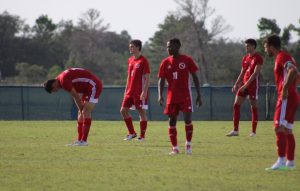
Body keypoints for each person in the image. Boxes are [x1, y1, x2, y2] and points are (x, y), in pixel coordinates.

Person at [158, 38, 202, 155]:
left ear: (177, 46)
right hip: (171, 97)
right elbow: (161, 80)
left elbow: (195, 77)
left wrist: (198, 94)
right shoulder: (165, 62)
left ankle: (188, 143)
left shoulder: (187, 60)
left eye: (170, 47)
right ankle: (175, 148)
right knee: (172, 121)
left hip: (185, 96)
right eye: (167, 47)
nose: (168, 49)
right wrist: (160, 95)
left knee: (187, 119)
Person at [264, 34, 299, 170]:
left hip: (286, 97)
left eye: (266, 47)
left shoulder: (281, 56)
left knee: (278, 127)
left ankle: (281, 161)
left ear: (272, 47)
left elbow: (293, 71)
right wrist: (291, 88)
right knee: (287, 129)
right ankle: (290, 163)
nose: (266, 50)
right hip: (293, 96)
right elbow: (297, 75)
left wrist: (285, 88)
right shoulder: (288, 57)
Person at [43, 68, 103, 146]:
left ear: (53, 85)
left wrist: (82, 110)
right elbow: (75, 96)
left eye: (55, 90)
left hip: (94, 85)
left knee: (85, 112)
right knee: (81, 113)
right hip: (87, 88)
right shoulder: (61, 79)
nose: (57, 91)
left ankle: (84, 141)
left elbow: (76, 97)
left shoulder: (63, 82)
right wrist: (80, 110)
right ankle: (79, 140)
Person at [227, 39, 264, 137]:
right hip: (244, 85)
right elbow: (242, 72)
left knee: (253, 107)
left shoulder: (258, 58)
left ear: (253, 46)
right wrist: (236, 84)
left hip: (252, 86)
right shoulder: (245, 58)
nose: (246, 47)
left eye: (248, 46)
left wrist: (245, 85)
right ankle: (235, 130)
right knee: (236, 105)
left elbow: (255, 74)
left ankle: (253, 132)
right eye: (245, 46)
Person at [120, 40, 150, 141]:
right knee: (123, 111)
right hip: (129, 92)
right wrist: (126, 90)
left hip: (139, 92)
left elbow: (147, 77)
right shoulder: (130, 60)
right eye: (130, 46)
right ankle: (132, 133)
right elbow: (129, 77)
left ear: (138, 47)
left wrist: (144, 91)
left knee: (141, 112)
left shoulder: (143, 61)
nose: (130, 48)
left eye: (132, 47)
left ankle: (142, 136)